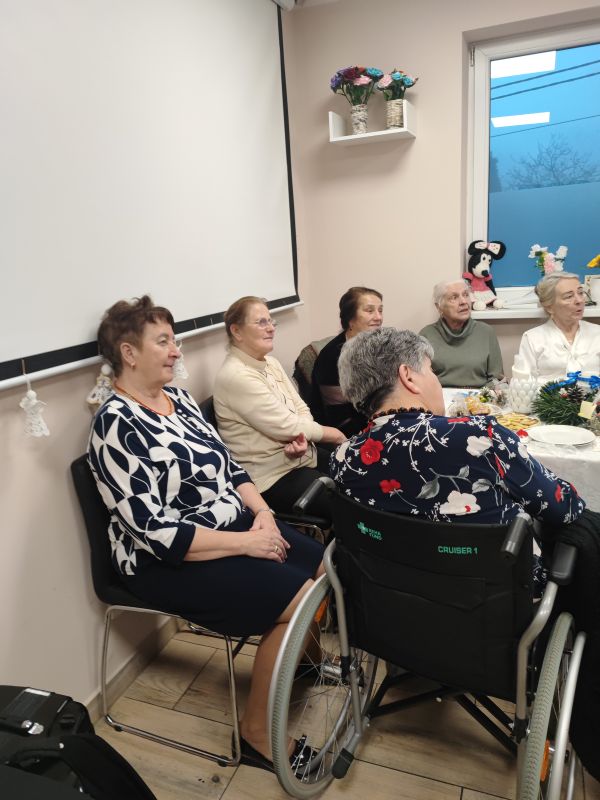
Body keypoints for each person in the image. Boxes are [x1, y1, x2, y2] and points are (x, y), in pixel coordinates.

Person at [88, 295, 324, 773]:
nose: (177, 351)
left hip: (230, 525)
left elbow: (230, 466)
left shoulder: (178, 401)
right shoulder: (114, 425)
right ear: (129, 353)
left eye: (174, 340)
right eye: (163, 342)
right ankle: (256, 734)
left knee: (325, 566)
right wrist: (247, 543)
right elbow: (157, 533)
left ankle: (297, 662)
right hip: (163, 560)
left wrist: (263, 514)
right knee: (299, 599)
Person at [330, 326, 584, 528]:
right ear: (408, 376)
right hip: (495, 576)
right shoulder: (479, 436)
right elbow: (562, 508)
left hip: (389, 577)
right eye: (431, 370)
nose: (437, 380)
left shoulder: (343, 458)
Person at [213, 296, 345, 524]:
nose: (271, 328)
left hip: (301, 456)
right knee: (347, 503)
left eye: (271, 321)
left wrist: (301, 436)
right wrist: (335, 435)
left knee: (358, 478)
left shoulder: (270, 362)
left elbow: (300, 408)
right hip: (272, 478)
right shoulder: (236, 375)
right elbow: (288, 426)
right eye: (261, 322)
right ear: (236, 331)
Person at [311, 286, 383, 436]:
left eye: (380, 310)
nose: (378, 317)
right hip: (349, 431)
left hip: (378, 417)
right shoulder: (332, 357)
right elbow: (339, 418)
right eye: (370, 311)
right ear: (350, 318)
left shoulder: (378, 343)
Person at [419, 279, 504, 388]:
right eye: (454, 297)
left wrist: (480, 396)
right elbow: (421, 380)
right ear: (439, 307)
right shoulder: (426, 335)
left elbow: (497, 379)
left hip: (479, 396)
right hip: (440, 396)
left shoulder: (486, 332)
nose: (463, 302)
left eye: (466, 295)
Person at [517, 272, 600, 381]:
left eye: (580, 293)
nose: (579, 300)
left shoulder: (597, 333)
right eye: (569, 296)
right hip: (546, 392)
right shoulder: (533, 338)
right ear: (549, 307)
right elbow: (523, 383)